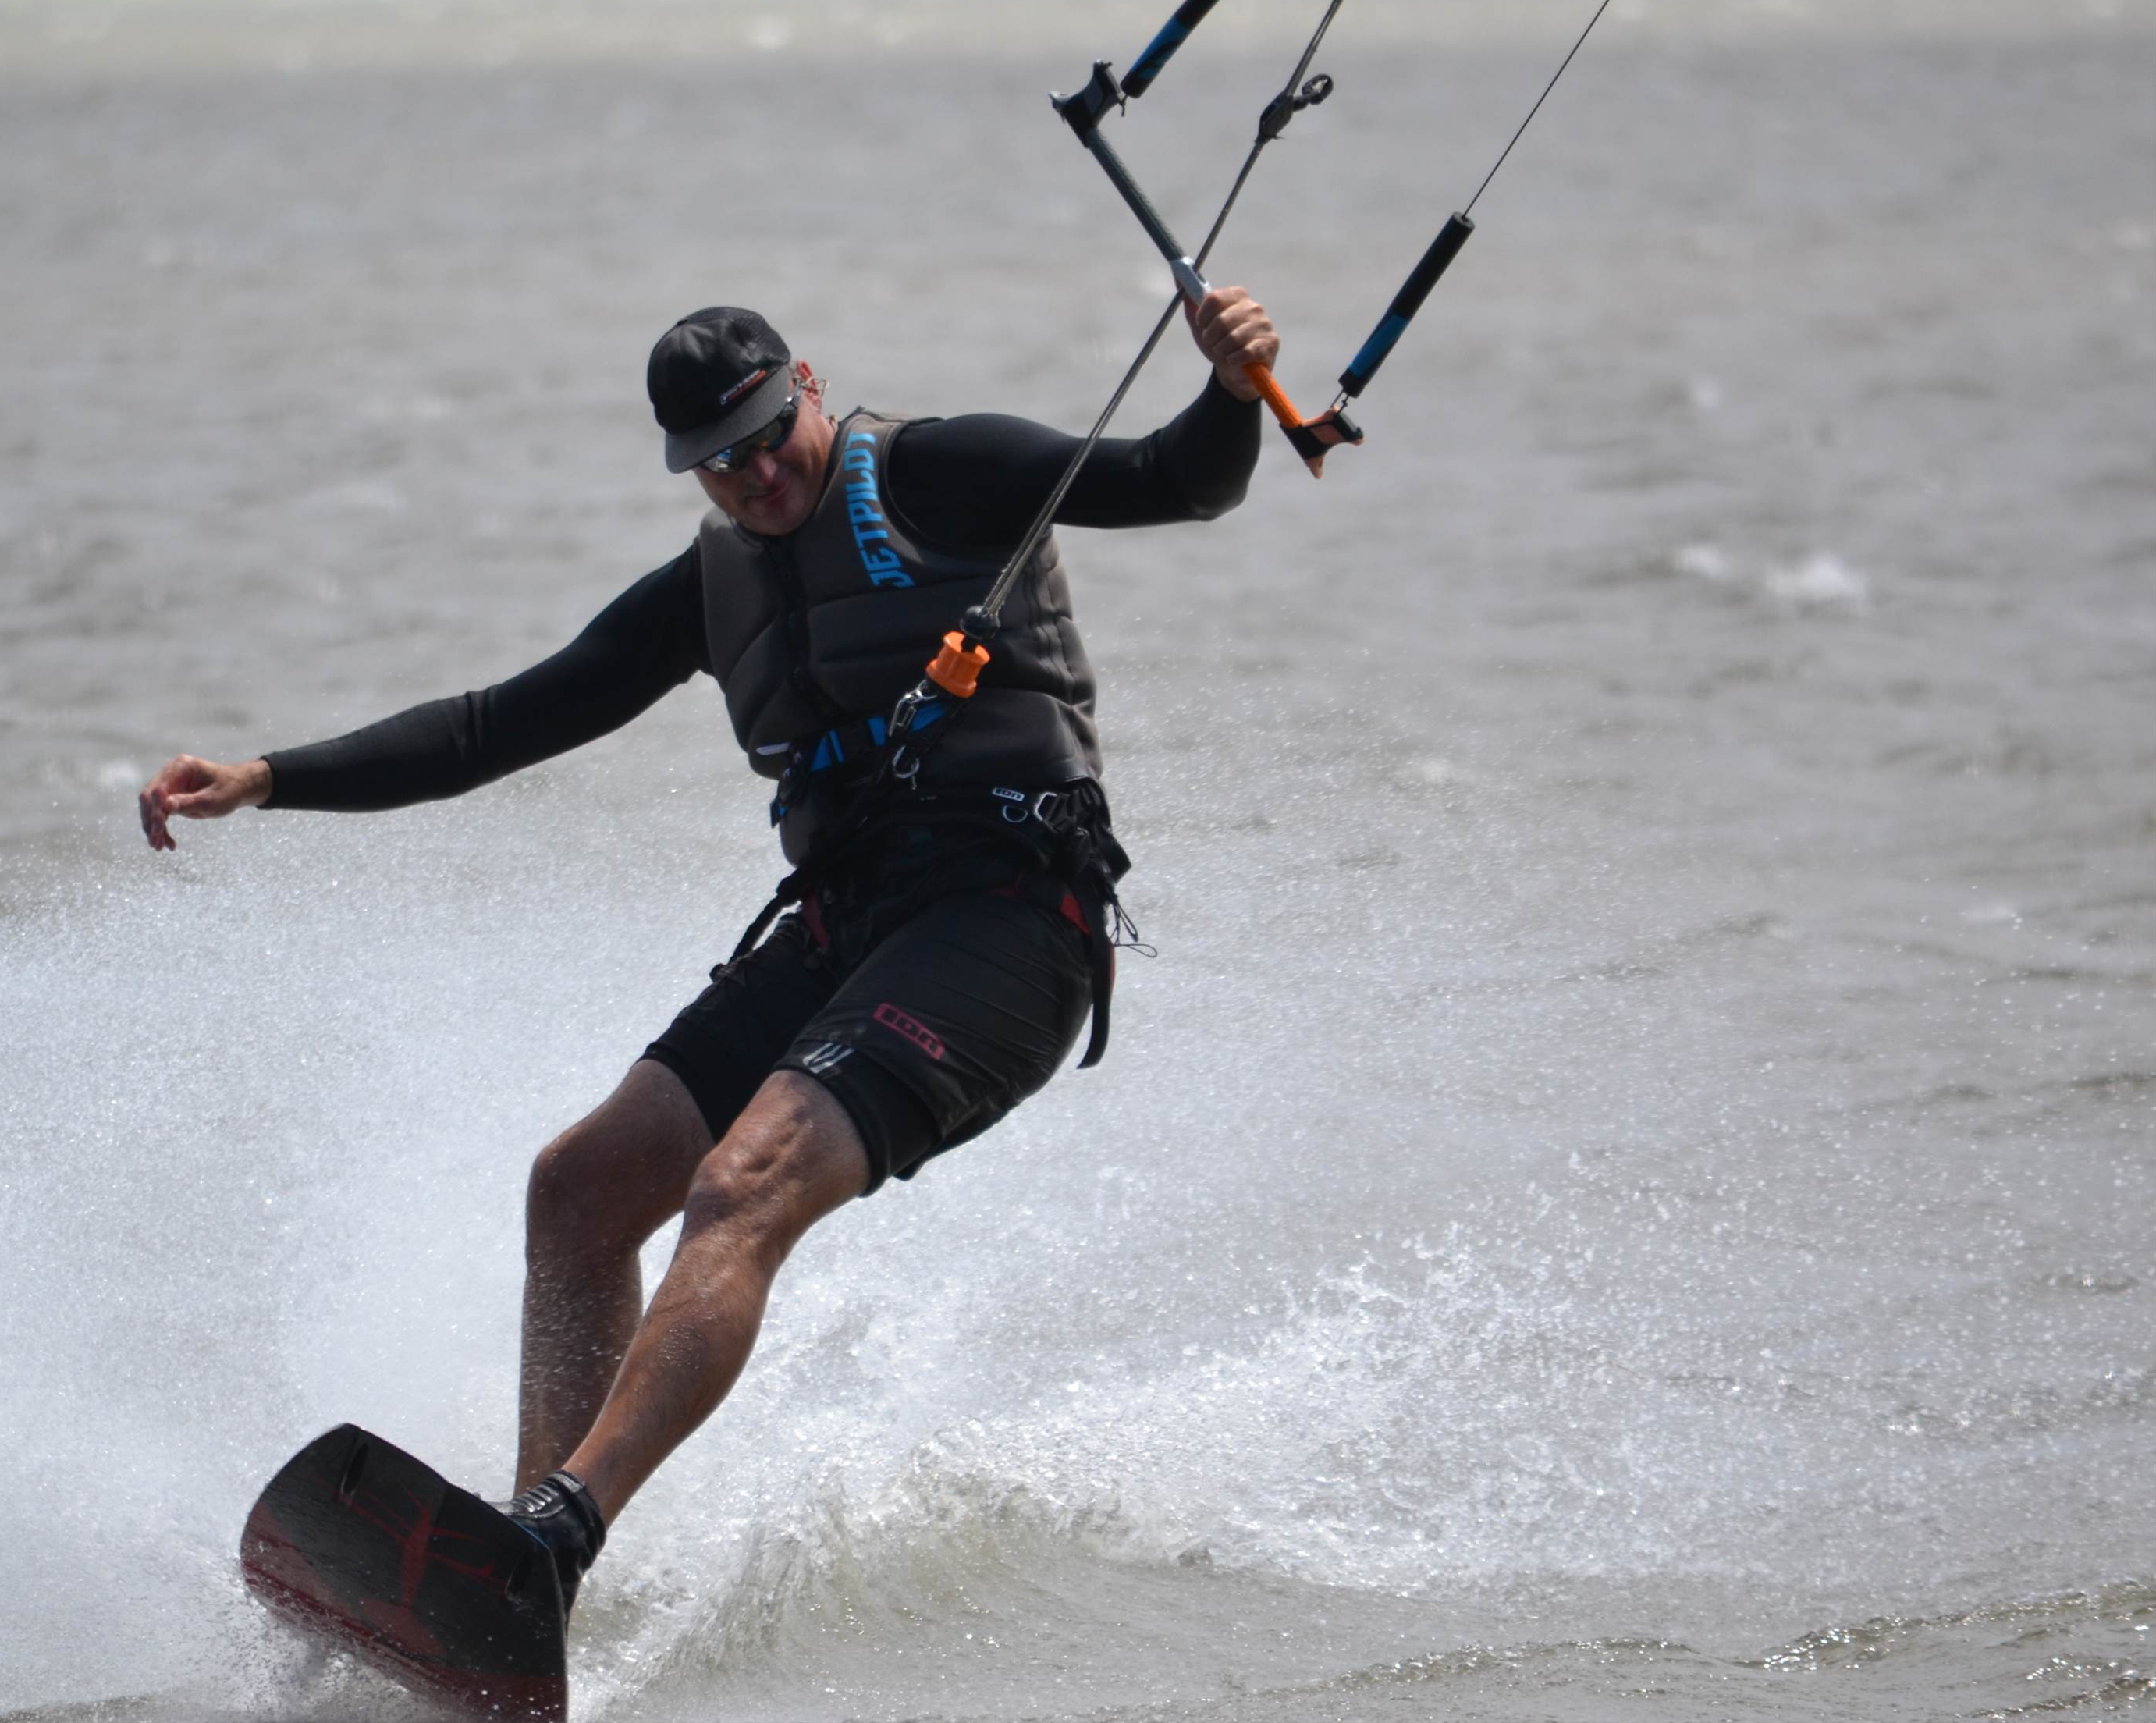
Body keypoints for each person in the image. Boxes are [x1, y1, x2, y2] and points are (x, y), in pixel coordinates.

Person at [139, 286, 1298, 1618]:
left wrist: (1231, 390)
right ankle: (518, 1581)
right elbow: (490, 728)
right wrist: (268, 778)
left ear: (808, 387)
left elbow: (1174, 482)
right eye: (718, 463)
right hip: (851, 921)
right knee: (578, 1191)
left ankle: (560, 1536)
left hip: (1013, 920)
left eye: (767, 438)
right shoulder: (710, 588)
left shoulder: (942, 473)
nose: (757, 477)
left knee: (741, 1183)